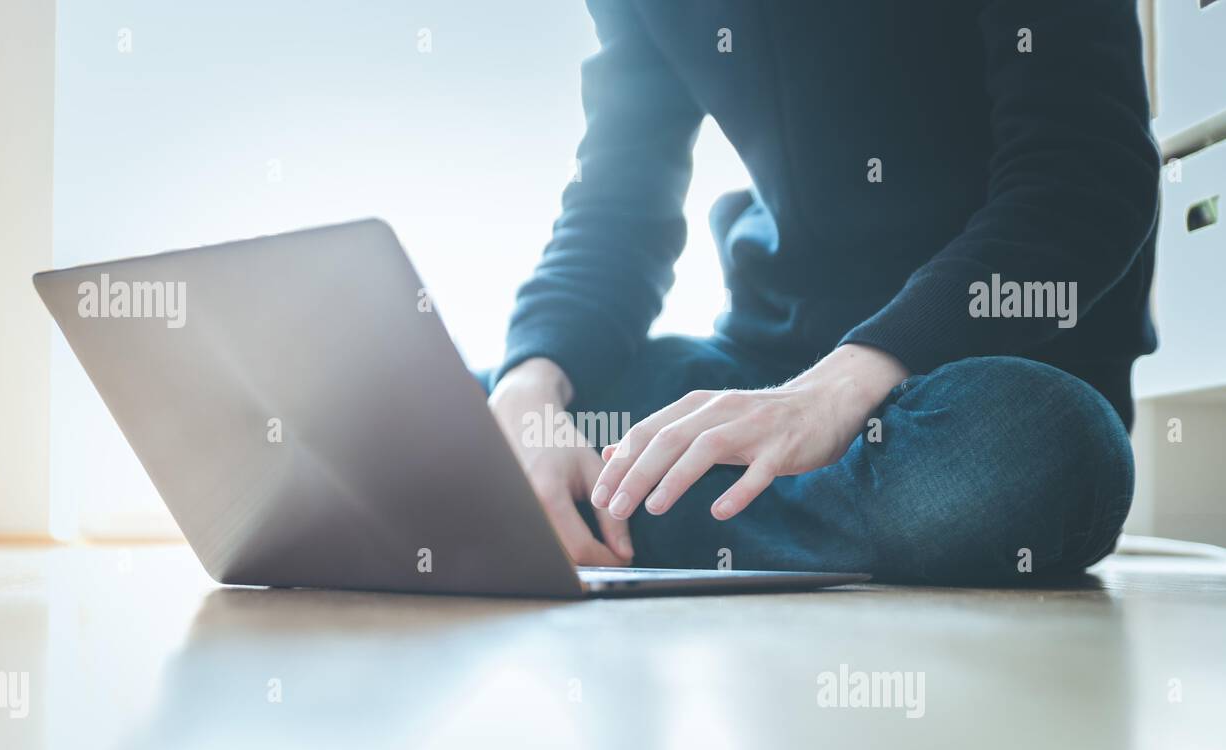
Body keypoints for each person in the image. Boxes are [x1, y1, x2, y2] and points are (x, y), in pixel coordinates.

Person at [483, 0, 1160, 584]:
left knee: (1037, 448)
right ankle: (599, 500)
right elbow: (615, 214)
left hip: (969, 387)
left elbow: (1083, 181)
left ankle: (587, 514)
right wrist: (527, 390)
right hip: (763, 369)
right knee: (449, 406)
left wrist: (840, 390)